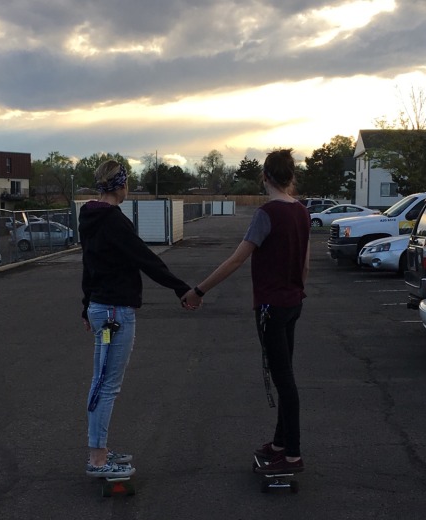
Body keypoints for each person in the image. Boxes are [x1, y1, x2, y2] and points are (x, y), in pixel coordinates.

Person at [182, 148, 310, 474]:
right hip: (292, 303)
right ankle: (281, 444)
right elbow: (305, 263)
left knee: (285, 381)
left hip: (270, 307)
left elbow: (237, 259)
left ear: (265, 177)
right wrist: (297, 292)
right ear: (290, 176)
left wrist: (199, 290)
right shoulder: (301, 213)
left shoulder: (266, 215)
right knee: (285, 375)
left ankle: (292, 457)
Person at [79, 159, 192, 478]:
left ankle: (98, 449)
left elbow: (88, 265)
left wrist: (86, 306)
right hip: (115, 312)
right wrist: (182, 289)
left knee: (100, 382)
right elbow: (147, 259)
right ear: (121, 186)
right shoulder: (114, 220)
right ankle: (98, 459)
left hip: (101, 309)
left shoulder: (88, 216)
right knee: (107, 385)